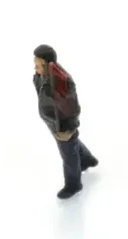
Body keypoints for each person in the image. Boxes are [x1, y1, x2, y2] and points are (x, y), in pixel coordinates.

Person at [33, 44, 98, 199]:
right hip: (54, 122)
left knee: (68, 155)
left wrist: (68, 128)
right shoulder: (44, 77)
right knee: (71, 143)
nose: (35, 68)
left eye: (38, 65)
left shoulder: (61, 83)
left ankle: (73, 184)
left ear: (47, 65)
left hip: (63, 125)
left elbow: (72, 108)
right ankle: (87, 160)